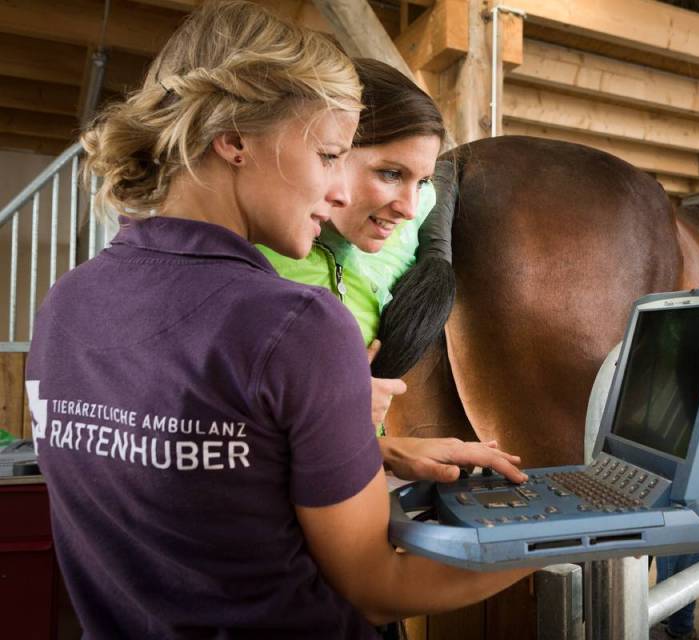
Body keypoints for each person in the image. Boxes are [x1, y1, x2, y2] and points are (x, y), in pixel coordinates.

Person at [25, 3, 530, 638]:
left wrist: (365, 449)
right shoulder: (296, 324)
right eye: (327, 155)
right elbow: (379, 589)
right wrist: (572, 539)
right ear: (233, 138)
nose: (341, 190)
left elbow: (196, 481)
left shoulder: (65, 301)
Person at [261, 59, 494, 484]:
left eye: (421, 182)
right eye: (391, 173)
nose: (407, 208)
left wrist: (386, 449)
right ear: (330, 152)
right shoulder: (258, 269)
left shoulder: (392, 235)